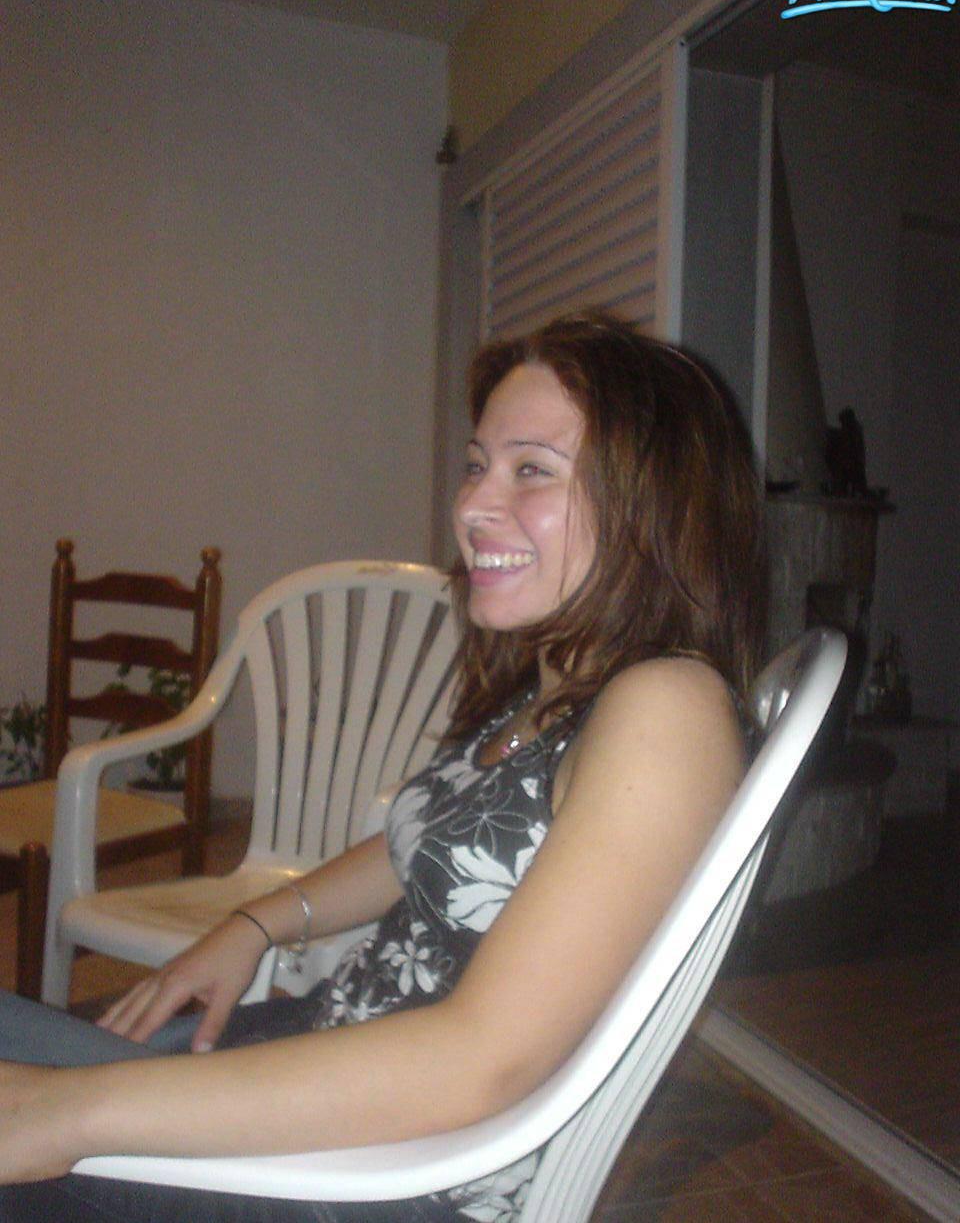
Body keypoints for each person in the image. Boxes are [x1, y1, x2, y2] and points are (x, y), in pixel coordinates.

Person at [0, 311, 765, 1221]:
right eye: (478, 465)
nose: (472, 506)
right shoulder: (559, 689)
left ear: (658, 503)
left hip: (378, 1184)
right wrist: (255, 924)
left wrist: (68, 1113)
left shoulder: (667, 708)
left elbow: (483, 1061)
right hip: (325, 1073)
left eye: (532, 470)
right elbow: (425, 845)